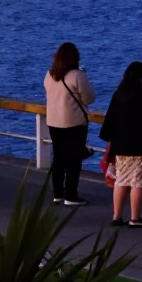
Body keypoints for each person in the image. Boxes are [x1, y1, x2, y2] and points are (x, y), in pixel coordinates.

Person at [99, 61, 142, 228]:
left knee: (122, 180)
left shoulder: (118, 94)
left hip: (121, 144)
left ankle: (116, 216)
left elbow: (109, 120)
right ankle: (135, 218)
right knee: (138, 182)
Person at [43, 42, 95, 206]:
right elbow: (89, 98)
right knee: (74, 160)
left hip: (53, 122)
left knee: (58, 158)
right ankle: (71, 195)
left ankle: (58, 193)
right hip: (73, 123)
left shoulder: (50, 75)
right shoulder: (78, 76)